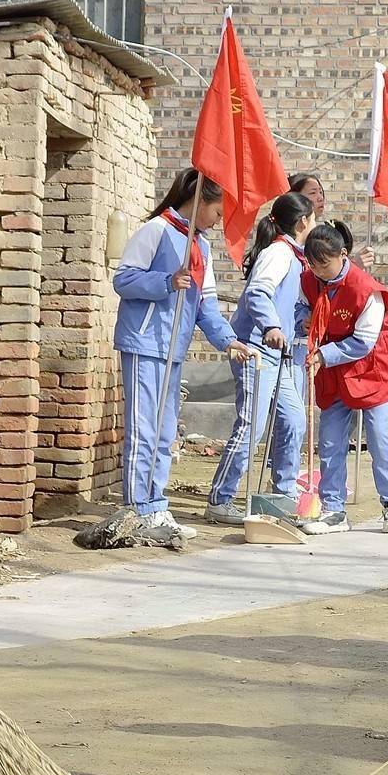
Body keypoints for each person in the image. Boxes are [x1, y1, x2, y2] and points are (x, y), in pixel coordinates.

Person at [112, 168, 252, 541]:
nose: (218, 220)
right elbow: (122, 280)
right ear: (200, 200)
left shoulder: (201, 245)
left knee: (164, 431)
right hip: (144, 342)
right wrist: (165, 282)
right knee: (144, 429)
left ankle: (156, 505)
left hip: (174, 347)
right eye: (218, 211)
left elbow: (205, 304)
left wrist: (227, 340)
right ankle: (137, 507)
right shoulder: (156, 230)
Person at [208, 191, 315, 526]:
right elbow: (258, 293)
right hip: (255, 350)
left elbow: (287, 304)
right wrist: (270, 324)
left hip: (279, 354)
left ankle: (282, 491)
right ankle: (220, 498)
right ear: (302, 223)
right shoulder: (278, 254)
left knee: (295, 418)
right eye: (314, 220)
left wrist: (301, 321)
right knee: (251, 427)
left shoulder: (296, 258)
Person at [301, 222, 388, 534]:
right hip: (332, 371)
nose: (319, 271)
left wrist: (324, 354)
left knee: (379, 436)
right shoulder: (308, 281)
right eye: (313, 265)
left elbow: (363, 342)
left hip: (371, 368)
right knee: (331, 441)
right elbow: (298, 309)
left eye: (325, 264)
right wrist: (303, 321)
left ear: (342, 255)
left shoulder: (365, 290)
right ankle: (333, 509)